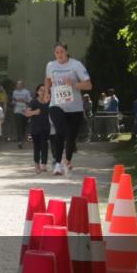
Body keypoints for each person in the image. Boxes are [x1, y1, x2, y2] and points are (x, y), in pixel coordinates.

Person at [43, 41, 92, 175]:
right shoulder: (51, 65)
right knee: (60, 130)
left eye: (62, 52)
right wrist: (47, 92)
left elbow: (88, 85)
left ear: (67, 52)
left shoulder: (76, 65)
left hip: (74, 107)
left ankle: (68, 159)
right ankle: (57, 163)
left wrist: (73, 84)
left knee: (71, 137)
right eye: (57, 52)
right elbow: (47, 79)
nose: (59, 55)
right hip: (56, 104)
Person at [24, 84, 50, 174]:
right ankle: (37, 165)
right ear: (37, 92)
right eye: (41, 90)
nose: (43, 92)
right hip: (35, 128)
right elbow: (27, 113)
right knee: (37, 147)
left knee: (45, 146)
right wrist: (35, 112)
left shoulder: (49, 102)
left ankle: (44, 164)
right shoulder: (33, 102)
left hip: (46, 127)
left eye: (44, 90)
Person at [11, 79, 32, 149]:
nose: (19, 85)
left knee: (24, 126)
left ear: (23, 85)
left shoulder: (26, 92)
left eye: (20, 84)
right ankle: (19, 141)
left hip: (24, 111)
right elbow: (13, 102)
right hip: (17, 111)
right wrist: (14, 101)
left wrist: (24, 100)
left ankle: (23, 139)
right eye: (18, 84)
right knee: (18, 126)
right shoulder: (14, 92)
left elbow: (30, 101)